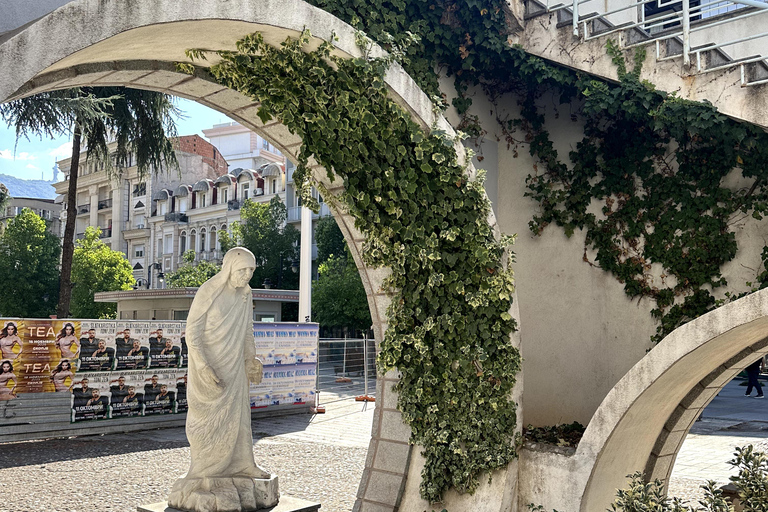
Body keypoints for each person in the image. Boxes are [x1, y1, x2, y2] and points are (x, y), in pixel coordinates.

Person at [169, 248, 274, 511]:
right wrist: (203, 365)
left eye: (251, 270)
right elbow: (192, 331)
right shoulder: (209, 291)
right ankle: (203, 471)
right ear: (228, 268)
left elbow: (247, 330)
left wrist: (251, 359)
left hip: (235, 366)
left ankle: (244, 464)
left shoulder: (246, 293)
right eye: (242, 270)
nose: (247, 275)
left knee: (240, 416)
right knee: (207, 422)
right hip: (209, 368)